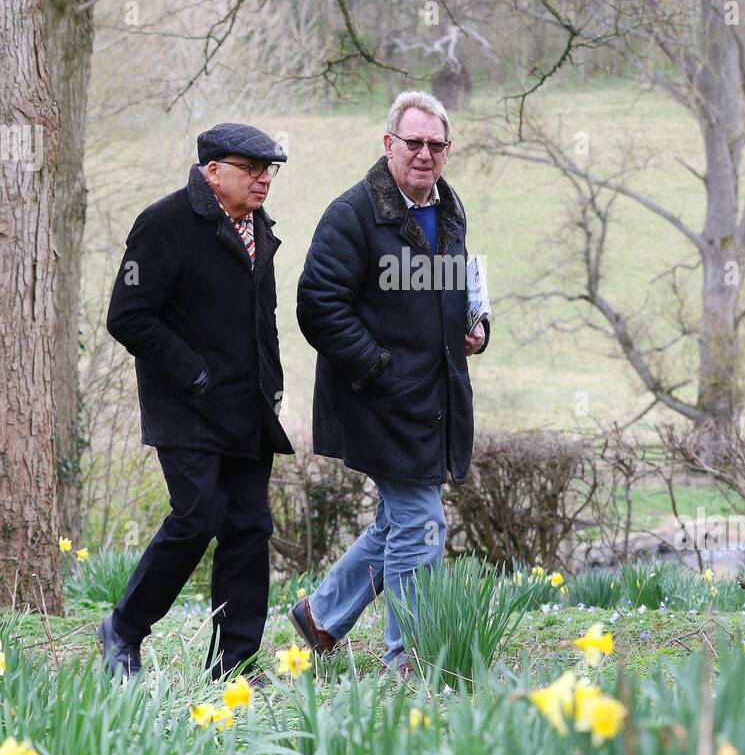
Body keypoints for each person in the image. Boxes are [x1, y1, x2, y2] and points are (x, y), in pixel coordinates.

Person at [293, 90, 489, 681]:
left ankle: (320, 617)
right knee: (422, 522)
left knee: (401, 521)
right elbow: (317, 306)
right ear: (388, 145)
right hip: (377, 401)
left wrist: (473, 330)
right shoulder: (351, 215)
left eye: (436, 144)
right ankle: (411, 656)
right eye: (413, 143)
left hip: (438, 399)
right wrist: (379, 368)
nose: (424, 154)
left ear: (447, 150)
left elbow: (449, 296)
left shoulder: (450, 211)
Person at [100, 123, 293, 680]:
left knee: (249, 526)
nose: (263, 180)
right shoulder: (162, 224)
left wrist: (272, 385)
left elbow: (265, 320)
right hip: (186, 406)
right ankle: (124, 628)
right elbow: (127, 316)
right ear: (213, 171)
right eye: (252, 168)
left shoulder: (259, 228)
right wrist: (195, 374)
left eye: (269, 170)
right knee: (197, 516)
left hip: (248, 407)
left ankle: (236, 663)